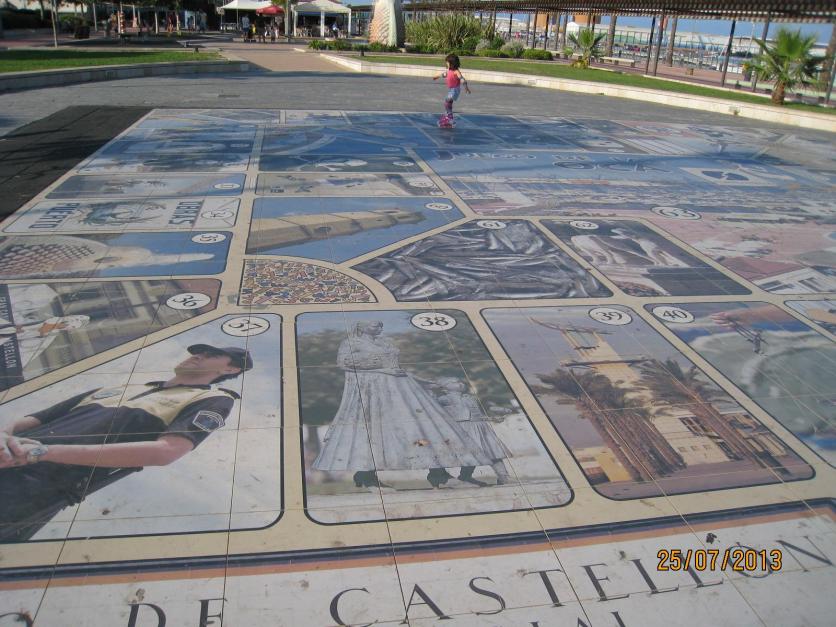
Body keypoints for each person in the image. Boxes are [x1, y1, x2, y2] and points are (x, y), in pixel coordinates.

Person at [0, 344, 253, 542]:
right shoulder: (125, 386)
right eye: (198, 352)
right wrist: (4, 435)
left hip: (38, 484)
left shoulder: (213, 399)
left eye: (211, 355)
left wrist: (42, 452)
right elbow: (36, 419)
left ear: (231, 370)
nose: (197, 355)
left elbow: (166, 452)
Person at [311, 321, 490, 488]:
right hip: (376, 389)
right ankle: (366, 475)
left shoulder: (384, 342)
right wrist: (382, 370)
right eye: (375, 325)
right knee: (378, 431)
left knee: (422, 428)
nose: (379, 327)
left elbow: (397, 367)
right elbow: (344, 364)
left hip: (402, 386)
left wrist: (420, 380)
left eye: (380, 325)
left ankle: (438, 473)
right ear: (362, 327)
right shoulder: (352, 342)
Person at [432, 377, 512, 486]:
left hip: (480, 427)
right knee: (470, 454)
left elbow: (479, 412)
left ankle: (503, 476)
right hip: (462, 428)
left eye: (459, 381)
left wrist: (492, 416)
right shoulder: (444, 399)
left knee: (492, 451)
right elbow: (430, 404)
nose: (460, 383)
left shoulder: (470, 398)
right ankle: (464, 477)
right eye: (454, 382)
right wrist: (433, 389)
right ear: (444, 388)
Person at [432, 53, 471, 128]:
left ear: (453, 64)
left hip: (455, 89)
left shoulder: (456, 71)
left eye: (448, 63)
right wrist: (436, 77)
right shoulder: (449, 70)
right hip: (451, 90)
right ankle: (448, 116)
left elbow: (462, 79)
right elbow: (444, 74)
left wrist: (466, 88)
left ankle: (449, 117)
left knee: (447, 101)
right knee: (448, 103)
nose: (446, 64)